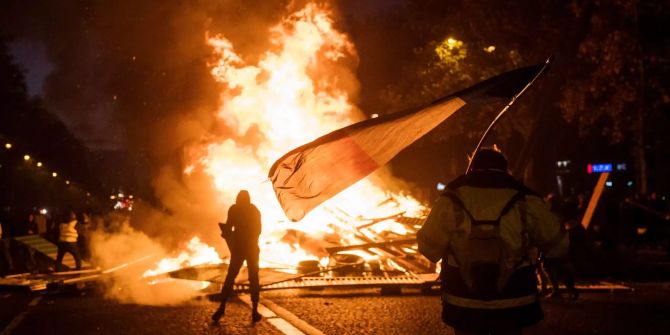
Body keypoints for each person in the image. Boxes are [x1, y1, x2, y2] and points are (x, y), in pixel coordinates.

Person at [418, 147, 568, 335]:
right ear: (506, 169)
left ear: (471, 168)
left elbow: (428, 247)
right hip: (513, 298)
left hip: (463, 297)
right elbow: (559, 246)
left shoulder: (452, 198)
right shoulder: (525, 198)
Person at [212, 190, 262, 323]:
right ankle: (254, 311)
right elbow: (258, 231)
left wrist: (227, 233)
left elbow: (229, 226)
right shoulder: (254, 210)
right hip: (251, 249)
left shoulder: (234, 209)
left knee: (230, 277)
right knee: (254, 279)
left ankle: (221, 308)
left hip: (239, 248)